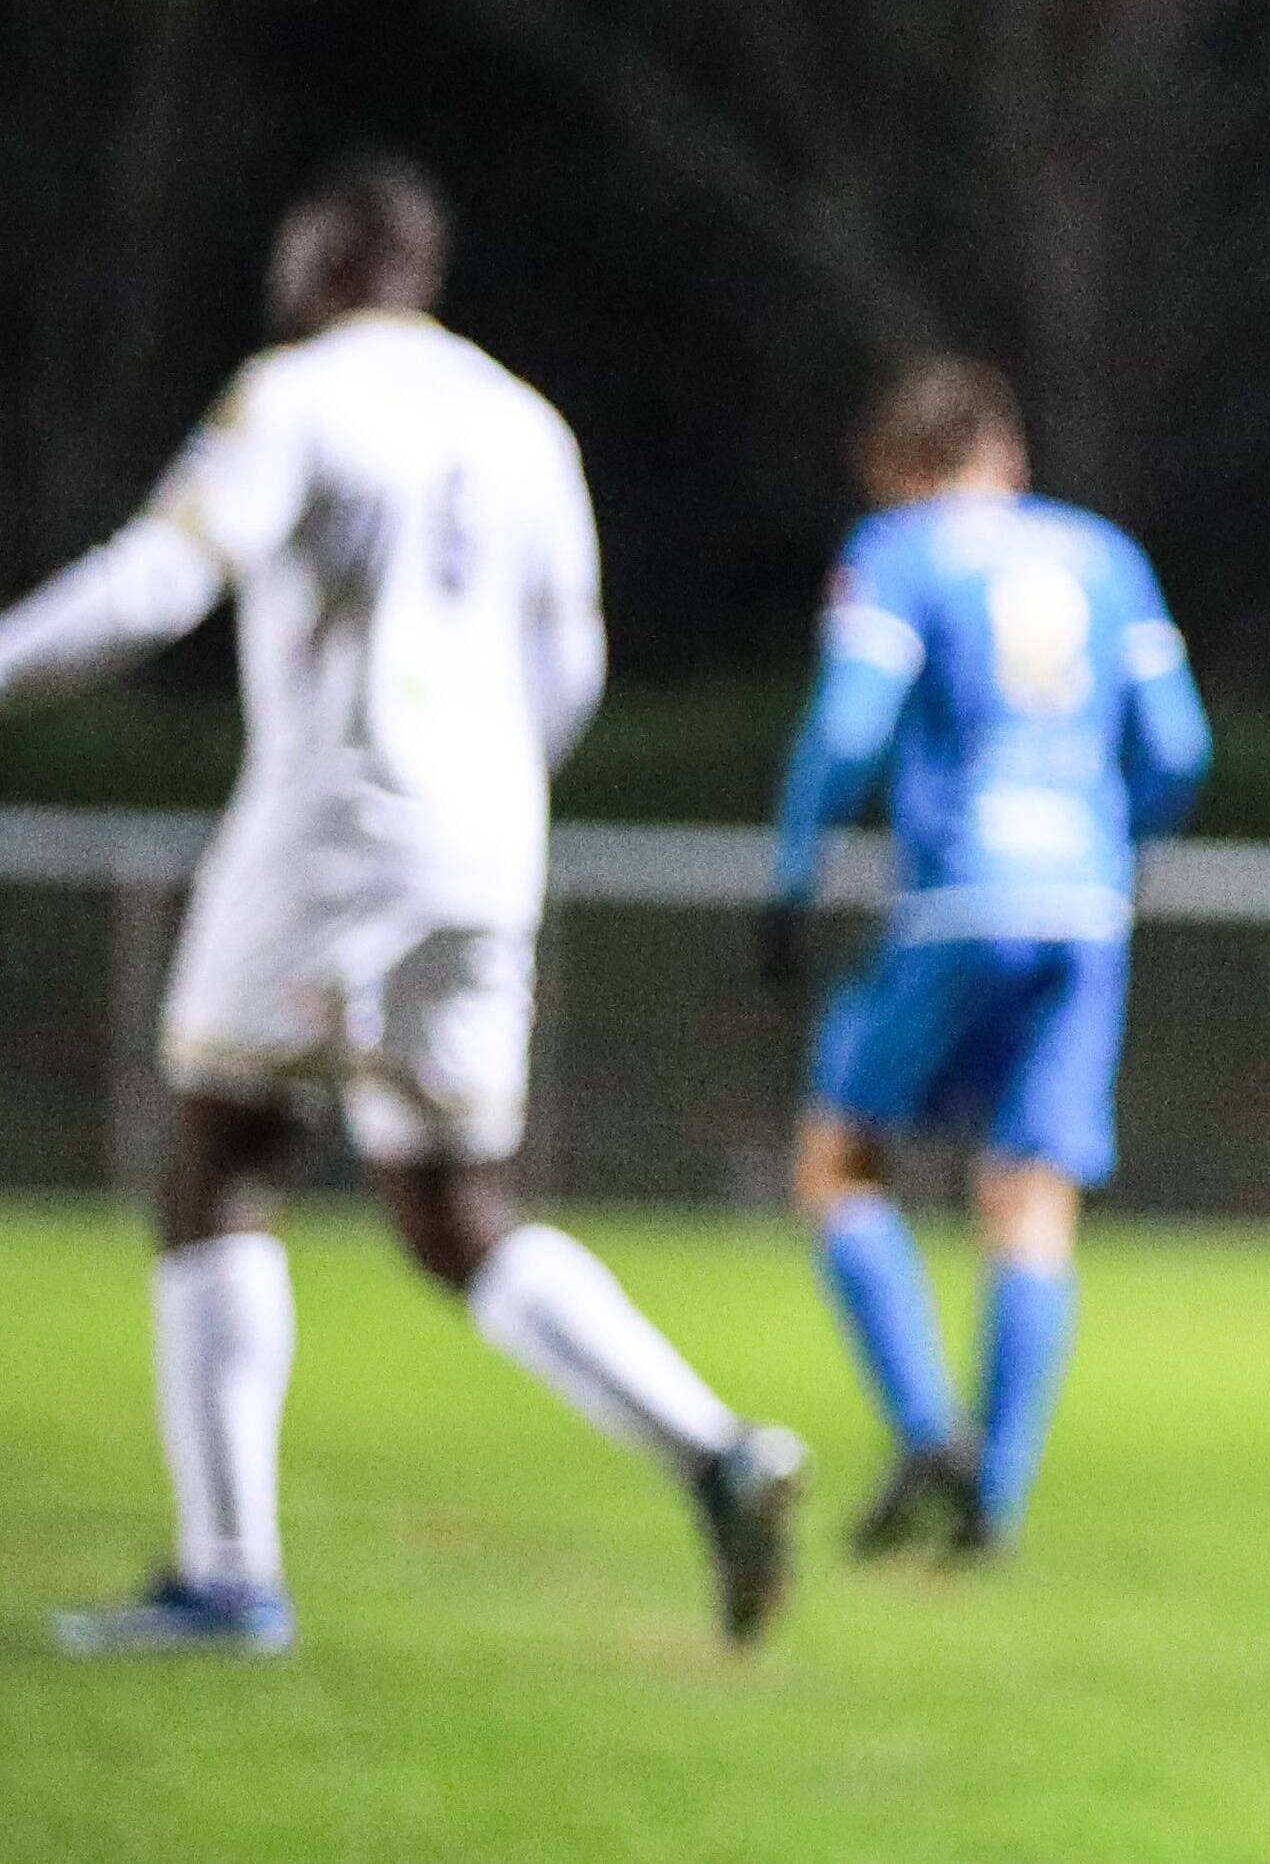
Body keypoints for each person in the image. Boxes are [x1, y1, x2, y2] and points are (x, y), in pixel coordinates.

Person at [3, 157, 804, 1657]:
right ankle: (713, 1450)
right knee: (452, 1210)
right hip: (489, 841)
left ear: (322, 264)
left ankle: (228, 1572)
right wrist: (490, 788)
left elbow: (154, 584)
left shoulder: (299, 393)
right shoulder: (525, 421)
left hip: (335, 822)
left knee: (218, 1152)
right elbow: (571, 664)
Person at [769, 355, 1209, 1564]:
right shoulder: (1106, 557)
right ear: (1006, 456)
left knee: (838, 1160)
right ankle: (995, 1503)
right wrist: (1118, 847)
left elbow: (852, 723)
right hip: (1084, 901)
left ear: (906, 470)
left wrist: (794, 870)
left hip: (960, 893)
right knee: (1032, 1197)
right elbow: (1178, 744)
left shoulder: (900, 552)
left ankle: (925, 1428)